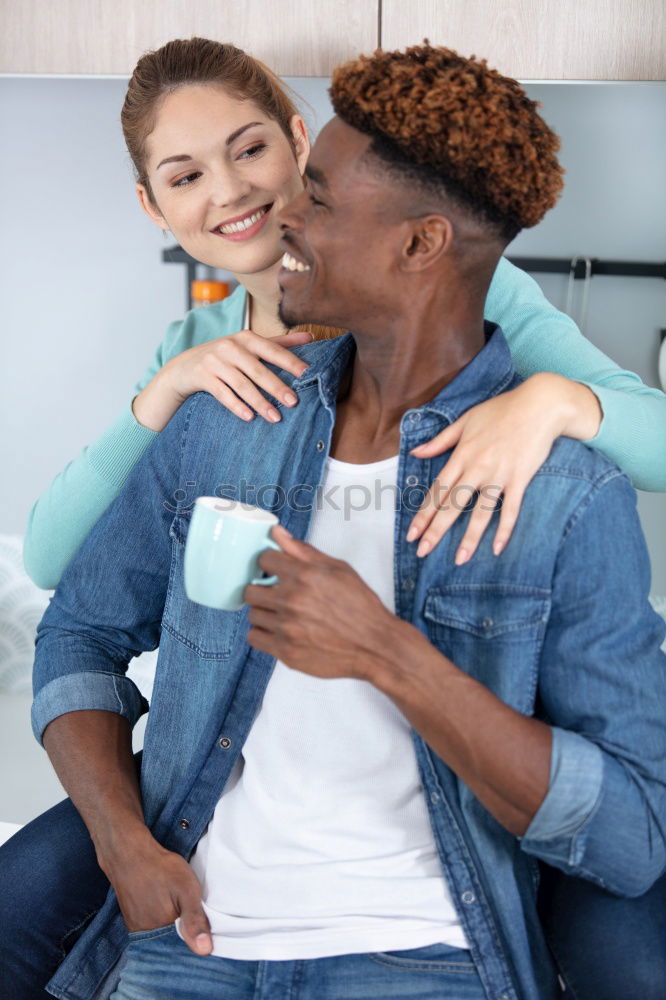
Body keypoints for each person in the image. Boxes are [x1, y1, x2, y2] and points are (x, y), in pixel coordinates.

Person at [2, 36, 664, 1000]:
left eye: (294, 180)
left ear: (418, 243)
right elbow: (75, 610)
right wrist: (125, 847)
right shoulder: (214, 394)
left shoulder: (557, 469)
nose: (265, 210)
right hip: (189, 936)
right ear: (154, 202)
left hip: (420, 953)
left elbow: (629, 836)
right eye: (184, 175)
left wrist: (561, 403)